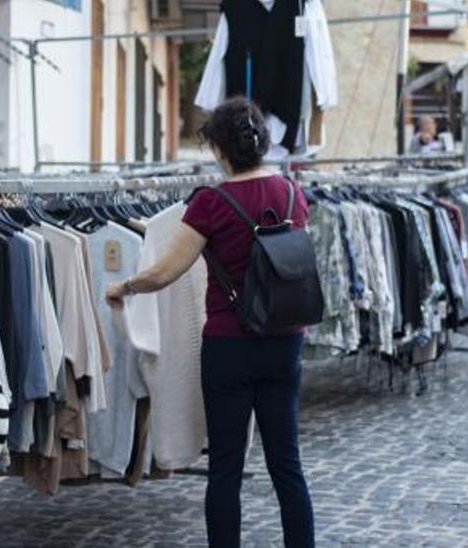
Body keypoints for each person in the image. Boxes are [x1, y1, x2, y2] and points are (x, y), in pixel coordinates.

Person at [105, 98, 315, 548]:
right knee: (287, 464)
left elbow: (165, 271)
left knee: (225, 467)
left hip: (230, 346)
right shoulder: (295, 194)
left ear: (220, 148)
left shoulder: (211, 202)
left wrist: (123, 288)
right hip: (285, 343)